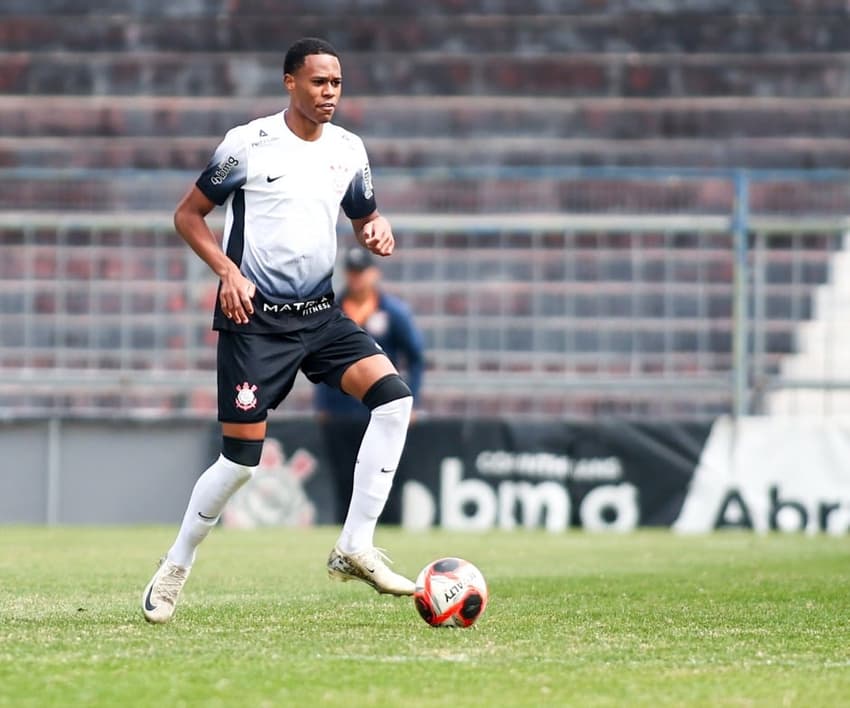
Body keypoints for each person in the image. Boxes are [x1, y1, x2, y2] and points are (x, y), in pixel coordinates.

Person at [142, 37, 416, 624]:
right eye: (318, 82)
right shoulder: (249, 143)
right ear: (290, 82)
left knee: (394, 400)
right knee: (241, 462)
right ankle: (176, 564)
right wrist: (226, 271)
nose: (329, 93)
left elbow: (365, 215)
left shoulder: (349, 150)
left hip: (319, 315)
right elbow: (188, 215)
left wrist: (377, 228)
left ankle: (355, 546)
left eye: (336, 83)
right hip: (255, 322)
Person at [315, 246, 425, 419]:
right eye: (352, 272)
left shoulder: (392, 312)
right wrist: (322, 404)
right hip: (340, 408)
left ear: (374, 273)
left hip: (381, 404)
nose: (356, 278)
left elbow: (415, 357)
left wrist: (412, 403)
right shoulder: (332, 311)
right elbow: (319, 359)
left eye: (361, 272)